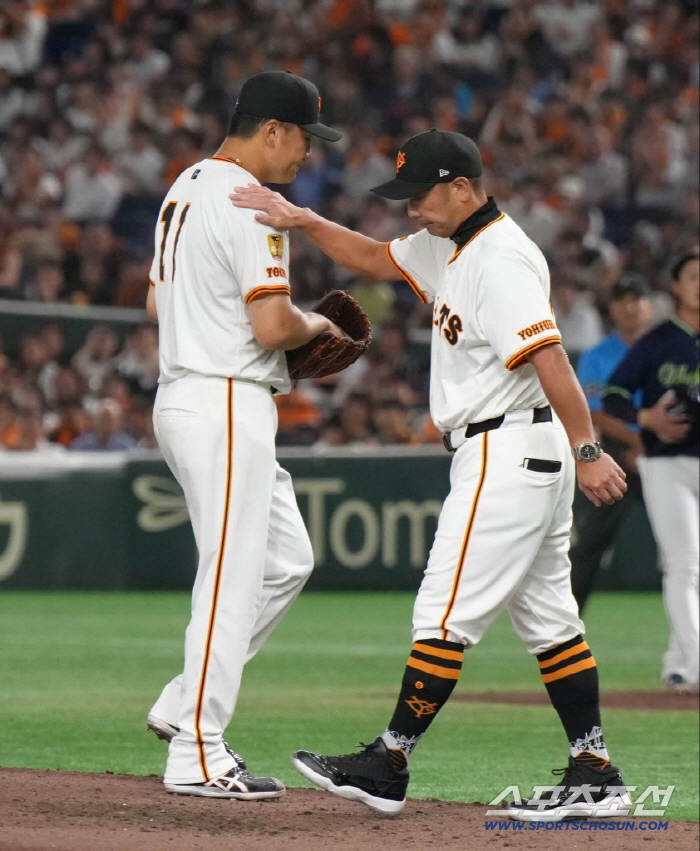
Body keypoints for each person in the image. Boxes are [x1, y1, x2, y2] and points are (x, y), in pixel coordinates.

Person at [231, 129, 631, 823]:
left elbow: (553, 359)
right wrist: (304, 220)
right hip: (514, 450)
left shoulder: (500, 259)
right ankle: (594, 769)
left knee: (442, 615)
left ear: (463, 187)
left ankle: (389, 759)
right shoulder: (451, 243)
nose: (412, 208)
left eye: (421, 195)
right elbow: (372, 257)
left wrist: (589, 447)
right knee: (551, 623)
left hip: (505, 450)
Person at [145, 70, 344, 799]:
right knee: (230, 578)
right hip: (225, 398)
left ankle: (181, 703)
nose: (306, 157)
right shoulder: (255, 204)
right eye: (303, 140)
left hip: (188, 395)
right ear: (272, 131)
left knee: (288, 557)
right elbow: (270, 326)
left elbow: (152, 298)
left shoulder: (183, 185)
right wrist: (315, 324)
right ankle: (198, 748)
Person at [603, 248, 699, 694]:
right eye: (693, 276)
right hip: (667, 463)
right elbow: (615, 396)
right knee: (684, 565)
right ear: (676, 288)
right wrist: (646, 419)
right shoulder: (660, 341)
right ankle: (696, 664)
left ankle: (678, 664)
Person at [570, 274, 654, 611]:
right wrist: (638, 442)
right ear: (612, 308)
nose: (630, 307)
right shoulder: (597, 355)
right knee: (590, 541)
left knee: (688, 538)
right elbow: (592, 412)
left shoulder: (670, 348)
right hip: (616, 453)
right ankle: (565, 622)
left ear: (651, 306)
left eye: (637, 299)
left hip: (664, 448)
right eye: (622, 300)